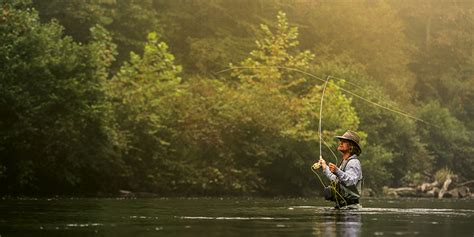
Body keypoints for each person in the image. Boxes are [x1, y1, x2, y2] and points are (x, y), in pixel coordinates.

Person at [319, 130, 363, 209]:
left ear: (351, 146)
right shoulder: (344, 162)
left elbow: (351, 181)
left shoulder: (353, 162)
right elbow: (336, 179)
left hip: (351, 210)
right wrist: (325, 166)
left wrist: (337, 171)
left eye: (344, 141)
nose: (341, 143)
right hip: (343, 207)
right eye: (340, 141)